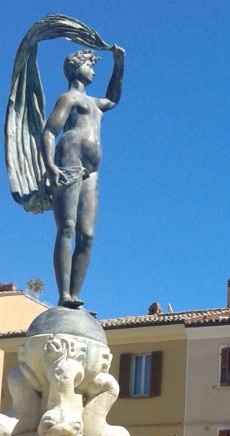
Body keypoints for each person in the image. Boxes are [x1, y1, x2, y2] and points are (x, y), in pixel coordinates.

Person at [40, 45, 124, 308]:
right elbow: (49, 131)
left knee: (87, 235)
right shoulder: (69, 99)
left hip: (92, 172)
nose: (93, 72)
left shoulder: (96, 104)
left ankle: (75, 294)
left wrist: (119, 64)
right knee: (66, 227)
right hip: (69, 160)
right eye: (90, 66)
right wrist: (49, 165)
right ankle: (64, 294)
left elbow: (112, 99)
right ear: (76, 67)